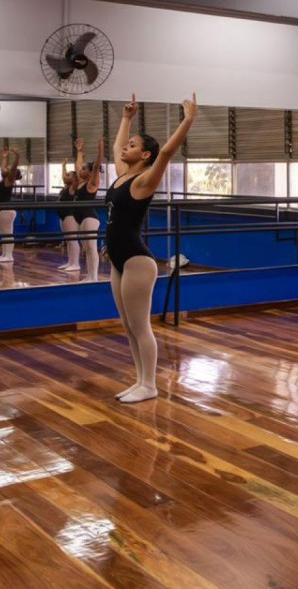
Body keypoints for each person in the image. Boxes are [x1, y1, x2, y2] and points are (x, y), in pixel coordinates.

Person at [108, 93, 196, 403]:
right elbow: (116, 148)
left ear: (145, 156)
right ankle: (140, 381)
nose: (125, 147)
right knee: (128, 326)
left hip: (136, 261)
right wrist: (126, 118)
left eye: (133, 145)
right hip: (117, 260)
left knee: (140, 325)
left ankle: (150, 385)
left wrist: (188, 120)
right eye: (127, 144)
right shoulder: (122, 177)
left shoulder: (144, 181)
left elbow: (168, 152)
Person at [75, 137, 105, 282]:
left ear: (90, 172)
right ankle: (89, 275)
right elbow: (78, 165)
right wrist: (80, 151)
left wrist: (100, 152)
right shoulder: (81, 182)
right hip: (82, 218)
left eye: (84, 169)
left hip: (89, 218)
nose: (81, 169)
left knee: (91, 248)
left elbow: (96, 166)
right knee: (86, 248)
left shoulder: (92, 183)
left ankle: (94, 277)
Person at [0, 145, 21, 263]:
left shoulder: (9, 182)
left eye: (8, 169)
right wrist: (4, 157)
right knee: (3, 234)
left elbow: (13, 168)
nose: (5, 169)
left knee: (7, 234)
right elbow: (3, 168)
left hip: (6, 210)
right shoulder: (3, 180)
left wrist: (17, 156)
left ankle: (9, 256)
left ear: (12, 175)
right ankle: (4, 254)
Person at [56, 156, 80, 271]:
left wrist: (76, 168)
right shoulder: (66, 187)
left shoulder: (73, 188)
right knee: (68, 240)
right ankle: (70, 262)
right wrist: (63, 166)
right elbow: (64, 177)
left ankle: (76, 264)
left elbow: (76, 179)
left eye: (69, 175)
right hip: (63, 216)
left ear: (74, 178)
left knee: (72, 240)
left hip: (70, 216)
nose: (66, 176)